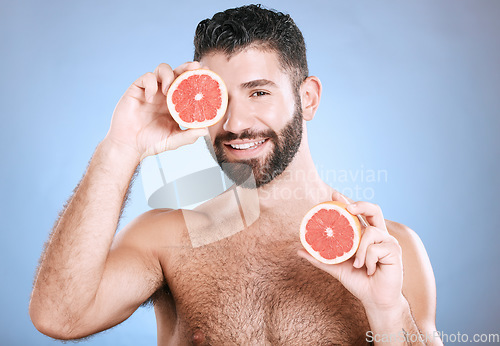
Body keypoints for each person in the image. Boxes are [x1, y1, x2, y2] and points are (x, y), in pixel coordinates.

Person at [30, 5, 442, 345]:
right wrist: (121, 148)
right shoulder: (165, 241)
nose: (235, 122)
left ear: (308, 98)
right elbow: (59, 317)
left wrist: (388, 314)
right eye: (219, 98)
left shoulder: (388, 251)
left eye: (259, 92)